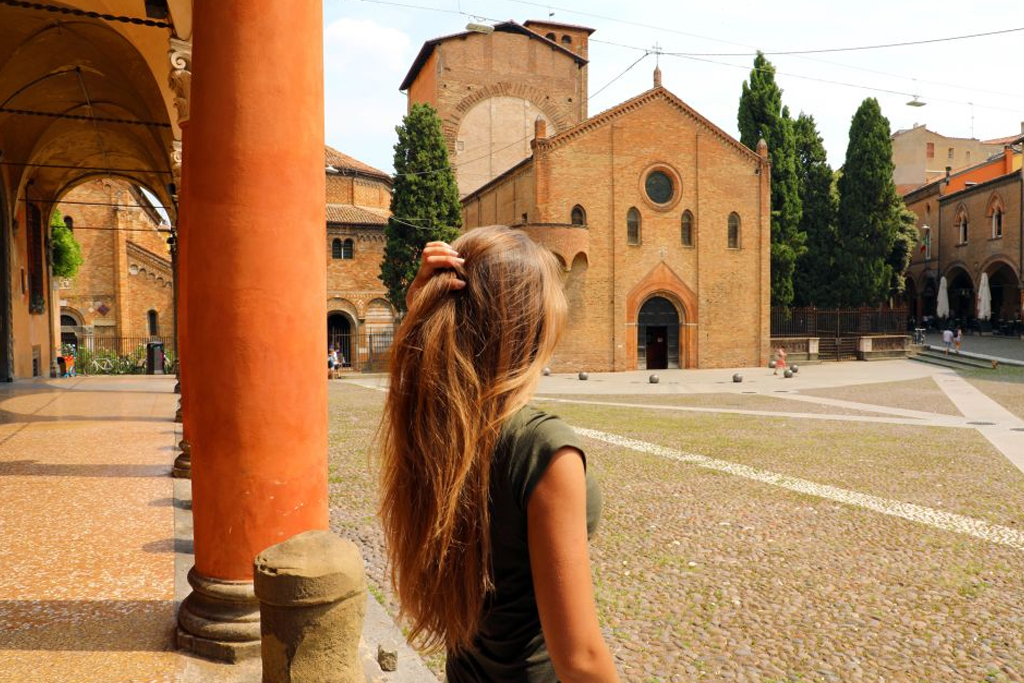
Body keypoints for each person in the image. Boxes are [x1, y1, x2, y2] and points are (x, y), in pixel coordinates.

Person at [379, 227, 620, 683]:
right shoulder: (543, 450)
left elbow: (420, 378)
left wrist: (422, 310)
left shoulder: (435, 429)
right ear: (530, 325)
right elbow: (580, 659)